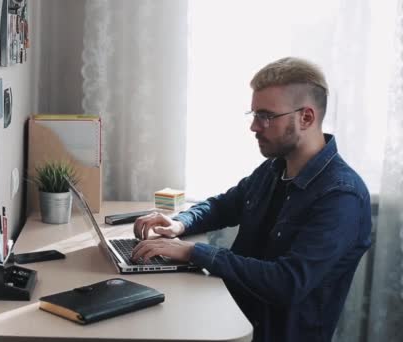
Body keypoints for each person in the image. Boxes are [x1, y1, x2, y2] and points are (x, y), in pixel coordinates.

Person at [131, 57, 372, 342]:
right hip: (233, 315)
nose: (255, 127)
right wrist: (179, 224)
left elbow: (287, 282)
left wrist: (192, 252)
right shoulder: (275, 168)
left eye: (266, 116)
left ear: (306, 117)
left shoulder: (342, 196)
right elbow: (225, 205)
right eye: (254, 114)